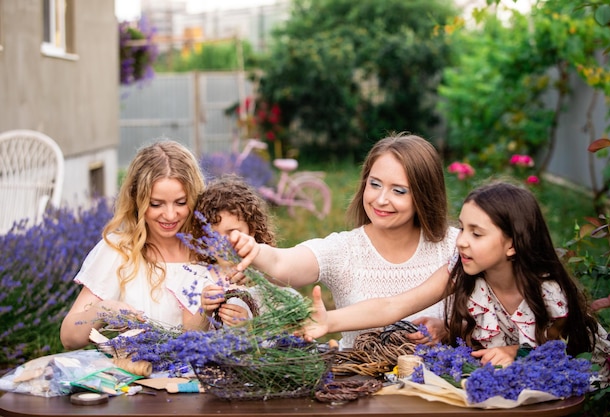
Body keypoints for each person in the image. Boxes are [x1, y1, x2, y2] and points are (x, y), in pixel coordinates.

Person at [301, 181, 610, 385]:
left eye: (477, 234)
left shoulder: (548, 293)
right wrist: (329, 321)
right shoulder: (464, 270)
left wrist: (512, 351)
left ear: (512, 244)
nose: (462, 242)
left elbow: (551, 351)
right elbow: (393, 305)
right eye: (463, 229)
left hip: (572, 382)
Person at [230, 132, 459, 349]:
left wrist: (448, 330)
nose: (380, 199)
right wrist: (256, 251)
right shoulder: (345, 250)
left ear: (424, 195)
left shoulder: (454, 246)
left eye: (398, 191)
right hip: (357, 384)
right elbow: (283, 263)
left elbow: (485, 320)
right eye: (375, 184)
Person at [60, 140, 208, 350]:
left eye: (181, 203)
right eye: (156, 204)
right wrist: (103, 310)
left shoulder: (210, 252)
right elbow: (69, 338)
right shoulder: (119, 251)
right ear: (137, 200)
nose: (170, 214)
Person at [169, 174, 279, 326]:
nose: (222, 242)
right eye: (213, 235)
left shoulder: (266, 277)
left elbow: (279, 332)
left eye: (232, 232)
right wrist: (204, 310)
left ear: (251, 231)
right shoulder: (196, 279)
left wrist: (248, 327)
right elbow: (189, 335)